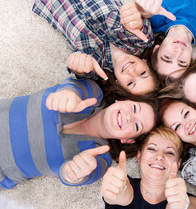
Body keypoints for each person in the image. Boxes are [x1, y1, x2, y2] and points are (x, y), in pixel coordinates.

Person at [0, 77, 158, 190]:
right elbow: (73, 87)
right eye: (135, 108)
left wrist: (73, 173)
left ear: (128, 140)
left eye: (137, 126)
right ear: (122, 100)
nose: (130, 117)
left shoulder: (100, 159)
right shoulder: (93, 93)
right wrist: (68, 94)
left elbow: (78, 176)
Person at [10, 0, 158, 95]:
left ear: (119, 84)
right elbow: (140, 22)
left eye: (130, 83)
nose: (132, 72)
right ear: (146, 63)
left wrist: (78, 68)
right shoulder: (139, 41)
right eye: (142, 73)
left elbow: (78, 73)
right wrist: (136, 16)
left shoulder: (95, 69)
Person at [100, 126, 196, 209]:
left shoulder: (191, 202)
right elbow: (122, 196)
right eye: (152, 149)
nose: (159, 156)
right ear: (139, 156)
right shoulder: (121, 182)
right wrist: (118, 190)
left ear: (178, 163)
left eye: (169, 152)